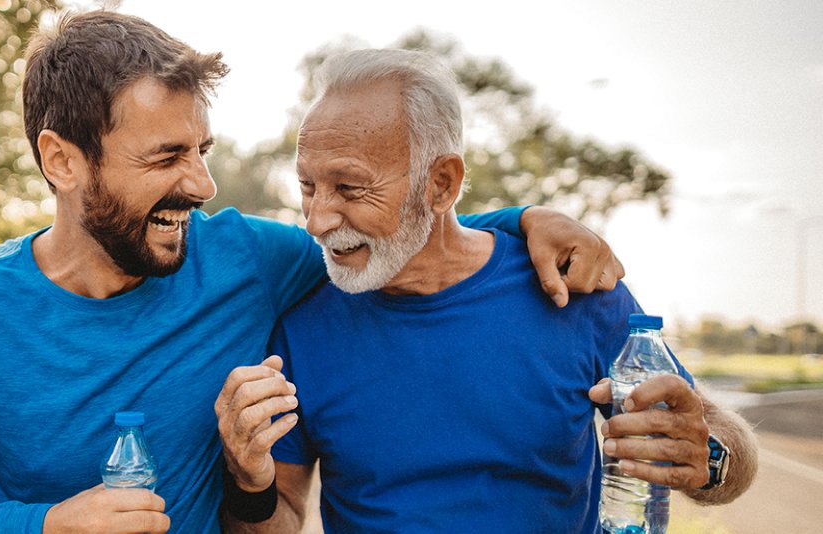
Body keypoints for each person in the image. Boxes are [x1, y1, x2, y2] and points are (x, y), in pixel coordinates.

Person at [0, 12, 625, 534]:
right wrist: (48, 524)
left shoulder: (250, 262)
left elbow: (398, 236)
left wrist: (522, 221)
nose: (200, 185)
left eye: (202, 151)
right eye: (165, 157)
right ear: (62, 160)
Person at [215, 48, 758, 533]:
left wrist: (709, 458)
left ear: (441, 184)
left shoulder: (571, 288)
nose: (316, 219)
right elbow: (278, 517)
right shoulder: (303, 326)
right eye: (307, 186)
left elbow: (725, 444)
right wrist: (249, 482)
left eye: (350, 187)